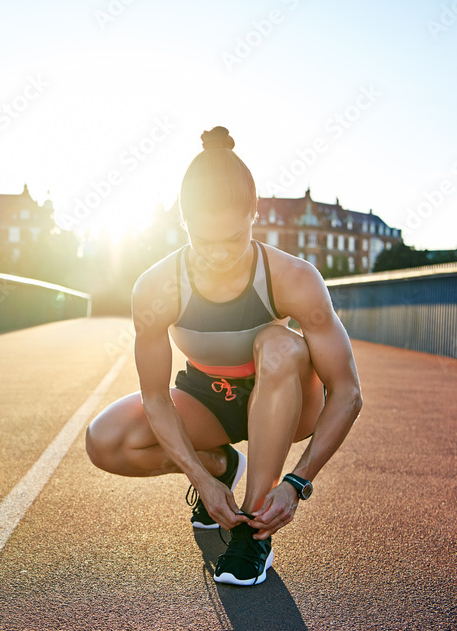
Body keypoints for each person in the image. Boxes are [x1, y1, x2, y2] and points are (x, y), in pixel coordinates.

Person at [85, 126, 363, 586]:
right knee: (106, 441)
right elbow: (155, 398)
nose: (218, 255)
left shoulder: (294, 278)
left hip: (287, 398)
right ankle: (223, 465)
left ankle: (254, 533)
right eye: (204, 240)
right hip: (209, 396)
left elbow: (348, 392)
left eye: (233, 239)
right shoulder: (157, 287)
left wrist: (297, 482)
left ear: (255, 216)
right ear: (183, 222)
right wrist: (200, 476)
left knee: (277, 345)